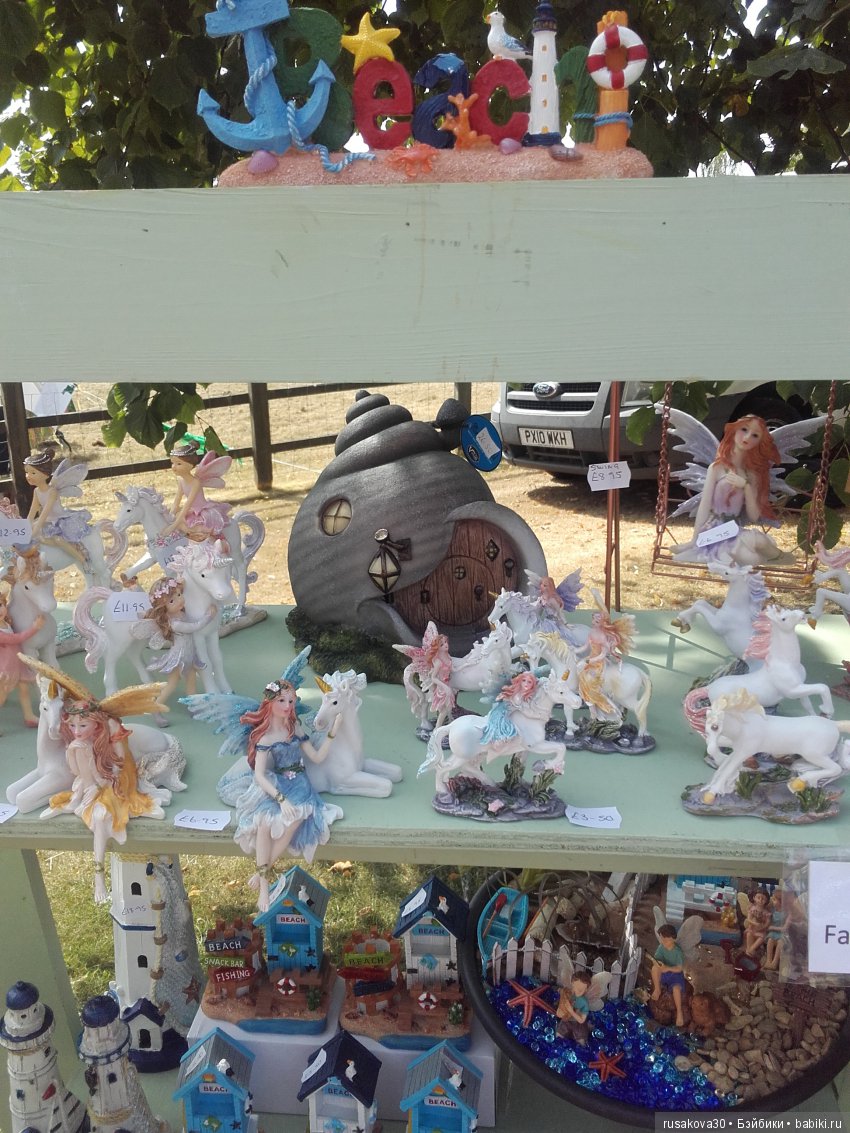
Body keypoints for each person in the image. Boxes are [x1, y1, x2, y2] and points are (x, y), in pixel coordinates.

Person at [34, 671, 168, 903]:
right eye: (72, 725)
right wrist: (76, 756)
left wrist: (100, 783)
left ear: (95, 722)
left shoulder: (111, 726)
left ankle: (99, 877)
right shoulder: (78, 740)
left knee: (101, 816)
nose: (76, 731)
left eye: (82, 725)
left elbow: (120, 764)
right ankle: (80, 802)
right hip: (92, 778)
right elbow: (77, 772)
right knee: (80, 761)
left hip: (117, 777)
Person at [217, 678, 342, 911]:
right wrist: (280, 799)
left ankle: (261, 872)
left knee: (295, 819)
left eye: (291, 701)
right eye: (282, 701)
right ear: (270, 703)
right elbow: (259, 775)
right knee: (263, 823)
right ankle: (264, 888)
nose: (287, 706)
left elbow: (316, 758)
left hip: (301, 787)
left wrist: (332, 734)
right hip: (279, 785)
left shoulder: (294, 728)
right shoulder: (265, 737)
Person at [677, 415, 783, 566]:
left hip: (734, 528)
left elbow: (754, 517)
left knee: (760, 541)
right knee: (752, 558)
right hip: (714, 529)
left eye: (755, 435)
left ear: (760, 441)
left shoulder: (751, 475)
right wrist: (695, 540)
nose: (747, 437)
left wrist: (746, 486)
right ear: (734, 430)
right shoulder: (717, 468)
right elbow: (704, 505)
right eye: (744, 429)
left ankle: (778, 558)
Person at [136, 577, 217, 712]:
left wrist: (182, 585)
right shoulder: (175, 624)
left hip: (189, 656)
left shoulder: (180, 613)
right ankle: (155, 708)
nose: (179, 600)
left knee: (191, 682)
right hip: (179, 658)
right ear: (163, 607)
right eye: (172, 601)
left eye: (179, 595)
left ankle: (192, 707)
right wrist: (209, 616)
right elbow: (195, 626)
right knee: (172, 684)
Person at [23, 449, 91, 570]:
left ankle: (82, 559)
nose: (28, 476)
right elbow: (32, 512)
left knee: (58, 540)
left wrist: (34, 531)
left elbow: (44, 513)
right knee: (39, 538)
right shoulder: (36, 491)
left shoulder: (52, 492)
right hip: (47, 522)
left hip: (59, 521)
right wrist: (25, 527)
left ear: (45, 474)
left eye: (33, 473)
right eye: (26, 472)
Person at [161, 439, 232, 539]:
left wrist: (173, 526)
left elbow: (187, 504)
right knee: (177, 517)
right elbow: (177, 502)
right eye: (173, 463)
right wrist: (170, 517)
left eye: (179, 464)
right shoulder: (181, 480)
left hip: (201, 512)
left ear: (190, 465)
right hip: (192, 511)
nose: (174, 467)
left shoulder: (196, 482)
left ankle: (208, 543)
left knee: (194, 527)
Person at [0, 587, 44, 726]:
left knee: (24, 690)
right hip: (6, 669)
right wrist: (35, 628)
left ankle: (29, 716)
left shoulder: (6, 622)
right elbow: (16, 639)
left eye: (0, 605)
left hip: (17, 665)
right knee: (2, 696)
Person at [651, 923, 687, 1027]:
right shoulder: (661, 947)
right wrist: (658, 963)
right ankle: (657, 989)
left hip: (675, 975)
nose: (663, 942)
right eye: (662, 939)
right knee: (654, 969)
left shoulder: (678, 952)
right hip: (664, 971)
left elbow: (679, 968)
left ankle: (679, 1012)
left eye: (666, 940)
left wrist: (668, 968)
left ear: (673, 939)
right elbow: (656, 959)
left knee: (676, 989)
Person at [556, 973, 591, 1043]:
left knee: (581, 1042)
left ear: (586, 989)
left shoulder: (584, 1003)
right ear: (572, 984)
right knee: (558, 1036)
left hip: (578, 1024)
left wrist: (571, 1011)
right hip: (566, 1021)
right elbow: (562, 994)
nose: (578, 991)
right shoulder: (569, 994)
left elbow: (581, 1020)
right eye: (576, 988)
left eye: (581, 990)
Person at [743, 887, 772, 957]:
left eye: (763, 899)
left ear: (766, 901)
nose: (760, 900)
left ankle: (751, 949)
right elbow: (748, 919)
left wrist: (762, 927)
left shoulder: (766, 912)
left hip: (760, 931)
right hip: (752, 929)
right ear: (754, 898)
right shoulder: (752, 909)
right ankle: (749, 950)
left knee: (762, 937)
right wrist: (754, 923)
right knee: (749, 934)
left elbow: (767, 923)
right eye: (758, 898)